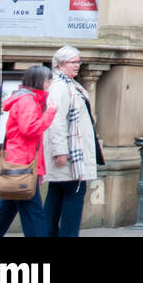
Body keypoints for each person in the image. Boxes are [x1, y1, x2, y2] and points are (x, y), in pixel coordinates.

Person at [0, 65, 57, 237]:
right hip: (23, 164)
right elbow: (30, 130)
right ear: (39, 81)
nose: (50, 83)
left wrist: (40, 170)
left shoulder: (28, 99)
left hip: (20, 162)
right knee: (34, 213)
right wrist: (50, 113)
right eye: (47, 80)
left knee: (5, 210)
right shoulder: (28, 101)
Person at [43, 46, 99, 236]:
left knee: (56, 195)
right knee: (73, 196)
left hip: (69, 152)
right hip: (69, 156)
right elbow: (56, 119)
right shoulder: (60, 86)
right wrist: (60, 150)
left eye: (78, 62)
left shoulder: (69, 84)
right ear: (60, 65)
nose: (77, 65)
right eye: (73, 62)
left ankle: (47, 234)